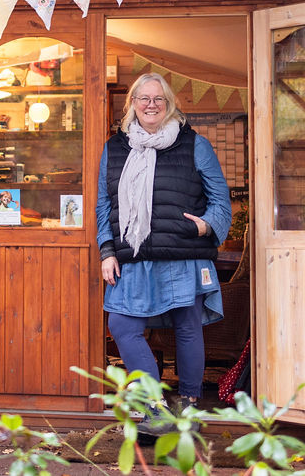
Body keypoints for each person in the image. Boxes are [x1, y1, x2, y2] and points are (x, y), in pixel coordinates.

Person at [95, 73, 231, 440]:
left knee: (187, 327)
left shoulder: (194, 145)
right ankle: (156, 408)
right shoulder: (115, 148)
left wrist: (204, 227)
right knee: (122, 326)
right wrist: (107, 251)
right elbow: (104, 205)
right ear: (133, 104)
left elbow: (220, 200)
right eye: (144, 98)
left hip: (183, 253)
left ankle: (188, 405)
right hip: (133, 255)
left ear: (169, 104)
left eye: (158, 99)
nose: (151, 104)